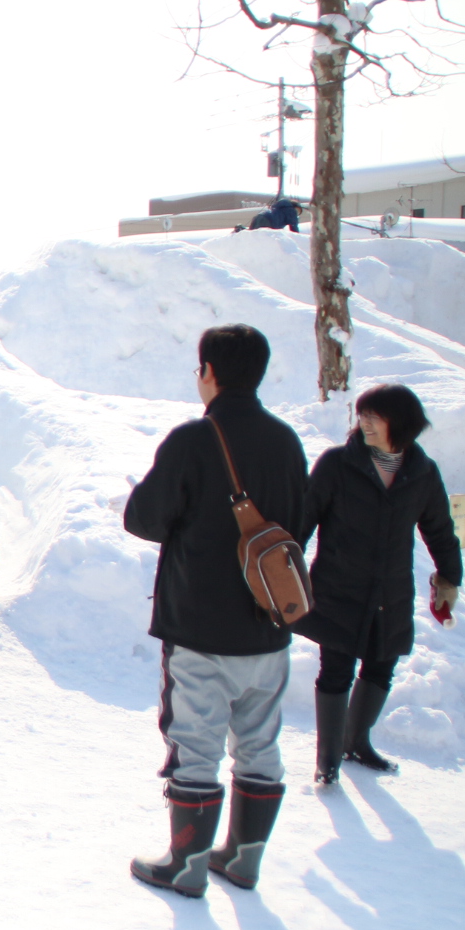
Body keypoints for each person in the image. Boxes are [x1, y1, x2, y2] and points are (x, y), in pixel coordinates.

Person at [123, 324, 308, 897]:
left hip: (202, 630)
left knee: (195, 744)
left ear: (209, 372)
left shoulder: (192, 441)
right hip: (271, 626)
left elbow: (144, 519)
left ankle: (186, 866)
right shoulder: (287, 441)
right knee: (259, 741)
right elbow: (299, 525)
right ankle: (244, 858)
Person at [296, 384, 463, 782]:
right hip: (338, 588)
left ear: (401, 424)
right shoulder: (338, 464)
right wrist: (284, 572)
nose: (364, 422)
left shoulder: (422, 472)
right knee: (335, 669)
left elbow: (440, 529)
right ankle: (328, 759)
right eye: (362, 415)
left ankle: (358, 742)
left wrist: (450, 577)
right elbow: (303, 519)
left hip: (391, 591)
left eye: (374, 416)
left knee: (381, 665)